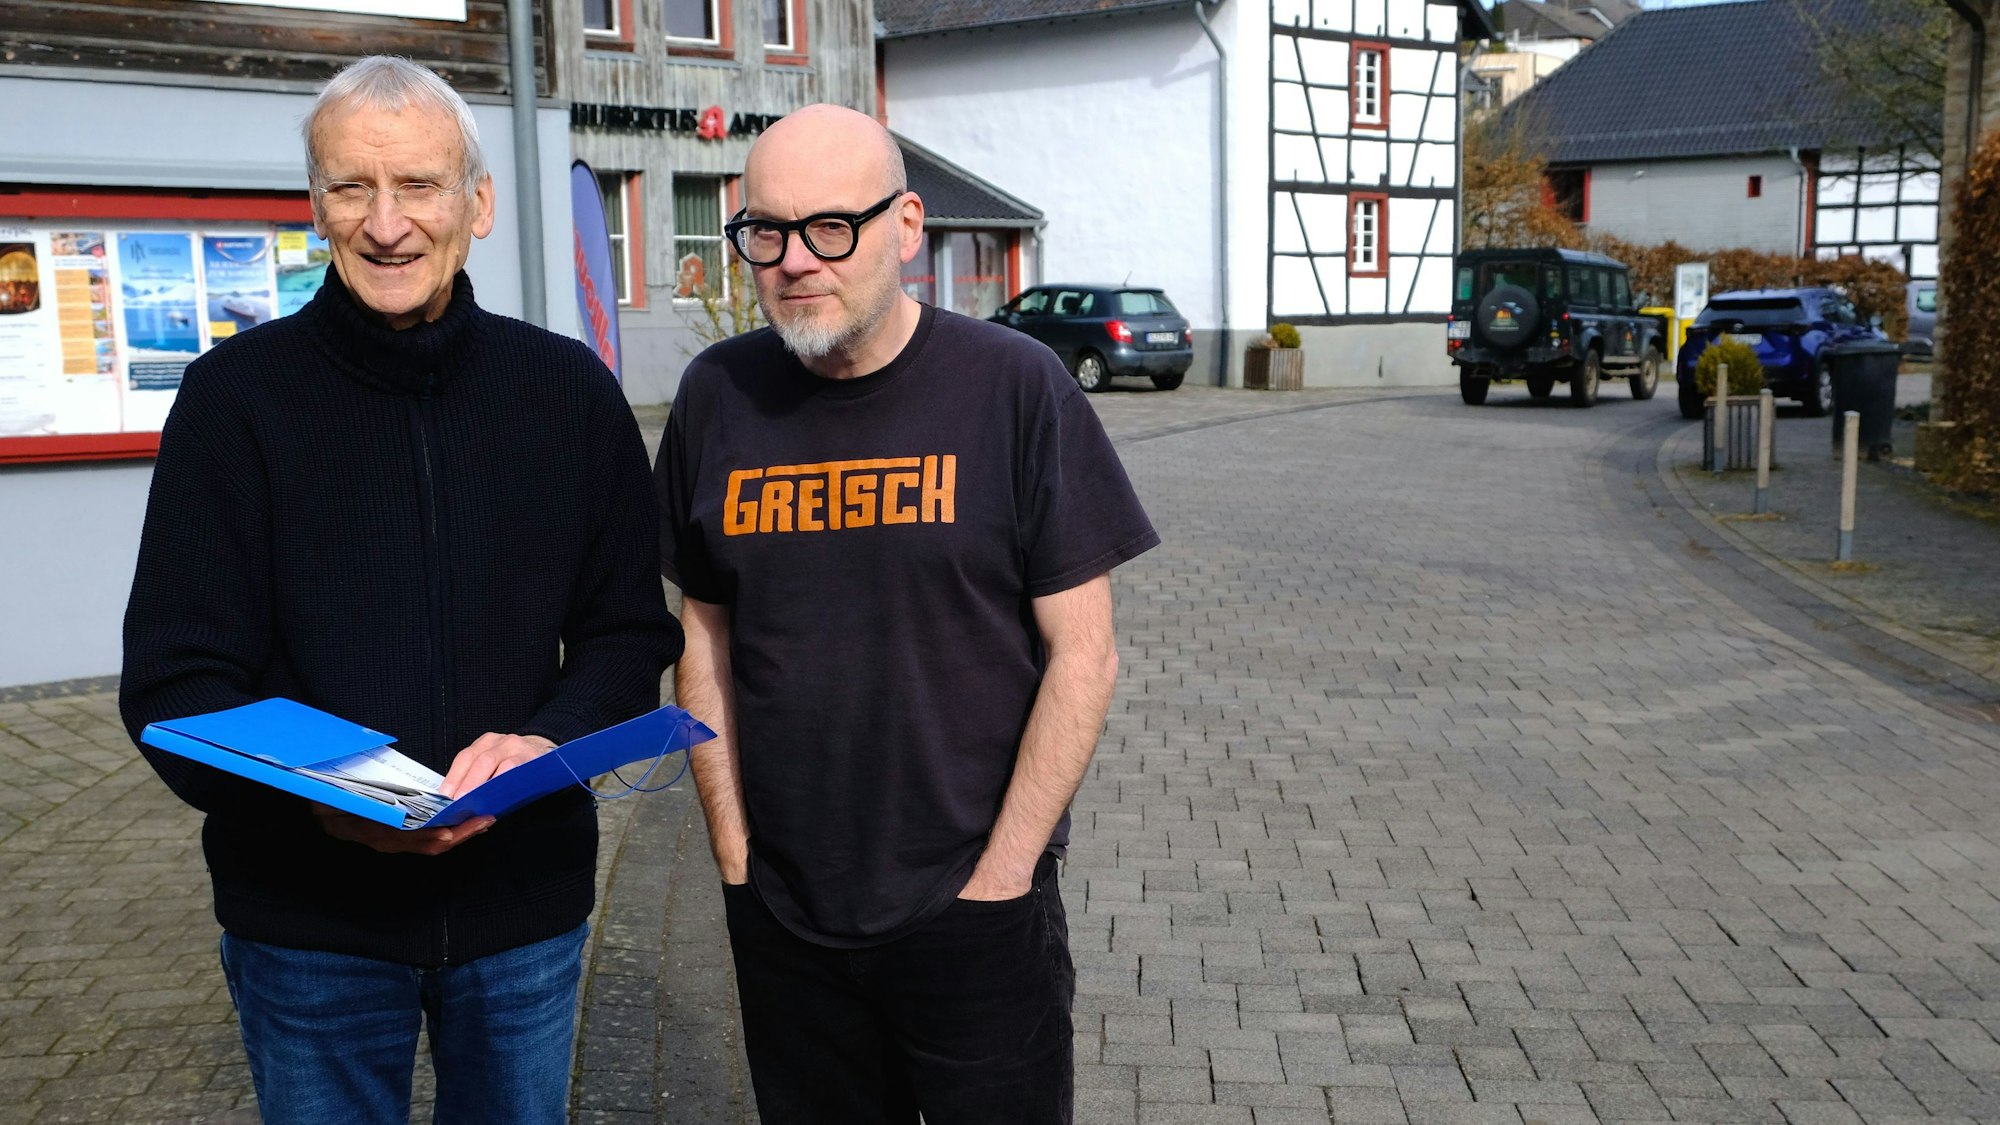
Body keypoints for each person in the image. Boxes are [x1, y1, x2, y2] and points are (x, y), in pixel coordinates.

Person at [119, 56, 682, 1124]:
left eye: (418, 186)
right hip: (308, 923)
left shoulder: (566, 394)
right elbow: (175, 683)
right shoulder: (233, 404)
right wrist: (330, 805)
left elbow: (625, 635)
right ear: (315, 207)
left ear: (477, 203)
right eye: (352, 188)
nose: (386, 224)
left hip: (521, 912)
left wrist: (548, 742)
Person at [655, 104, 1159, 1122]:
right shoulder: (718, 395)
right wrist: (733, 852)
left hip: (971, 910)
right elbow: (700, 635)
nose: (795, 260)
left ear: (906, 225)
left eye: (830, 227)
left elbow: (1084, 655)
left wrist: (1004, 874)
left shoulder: (1014, 387)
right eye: (766, 231)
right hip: (786, 912)